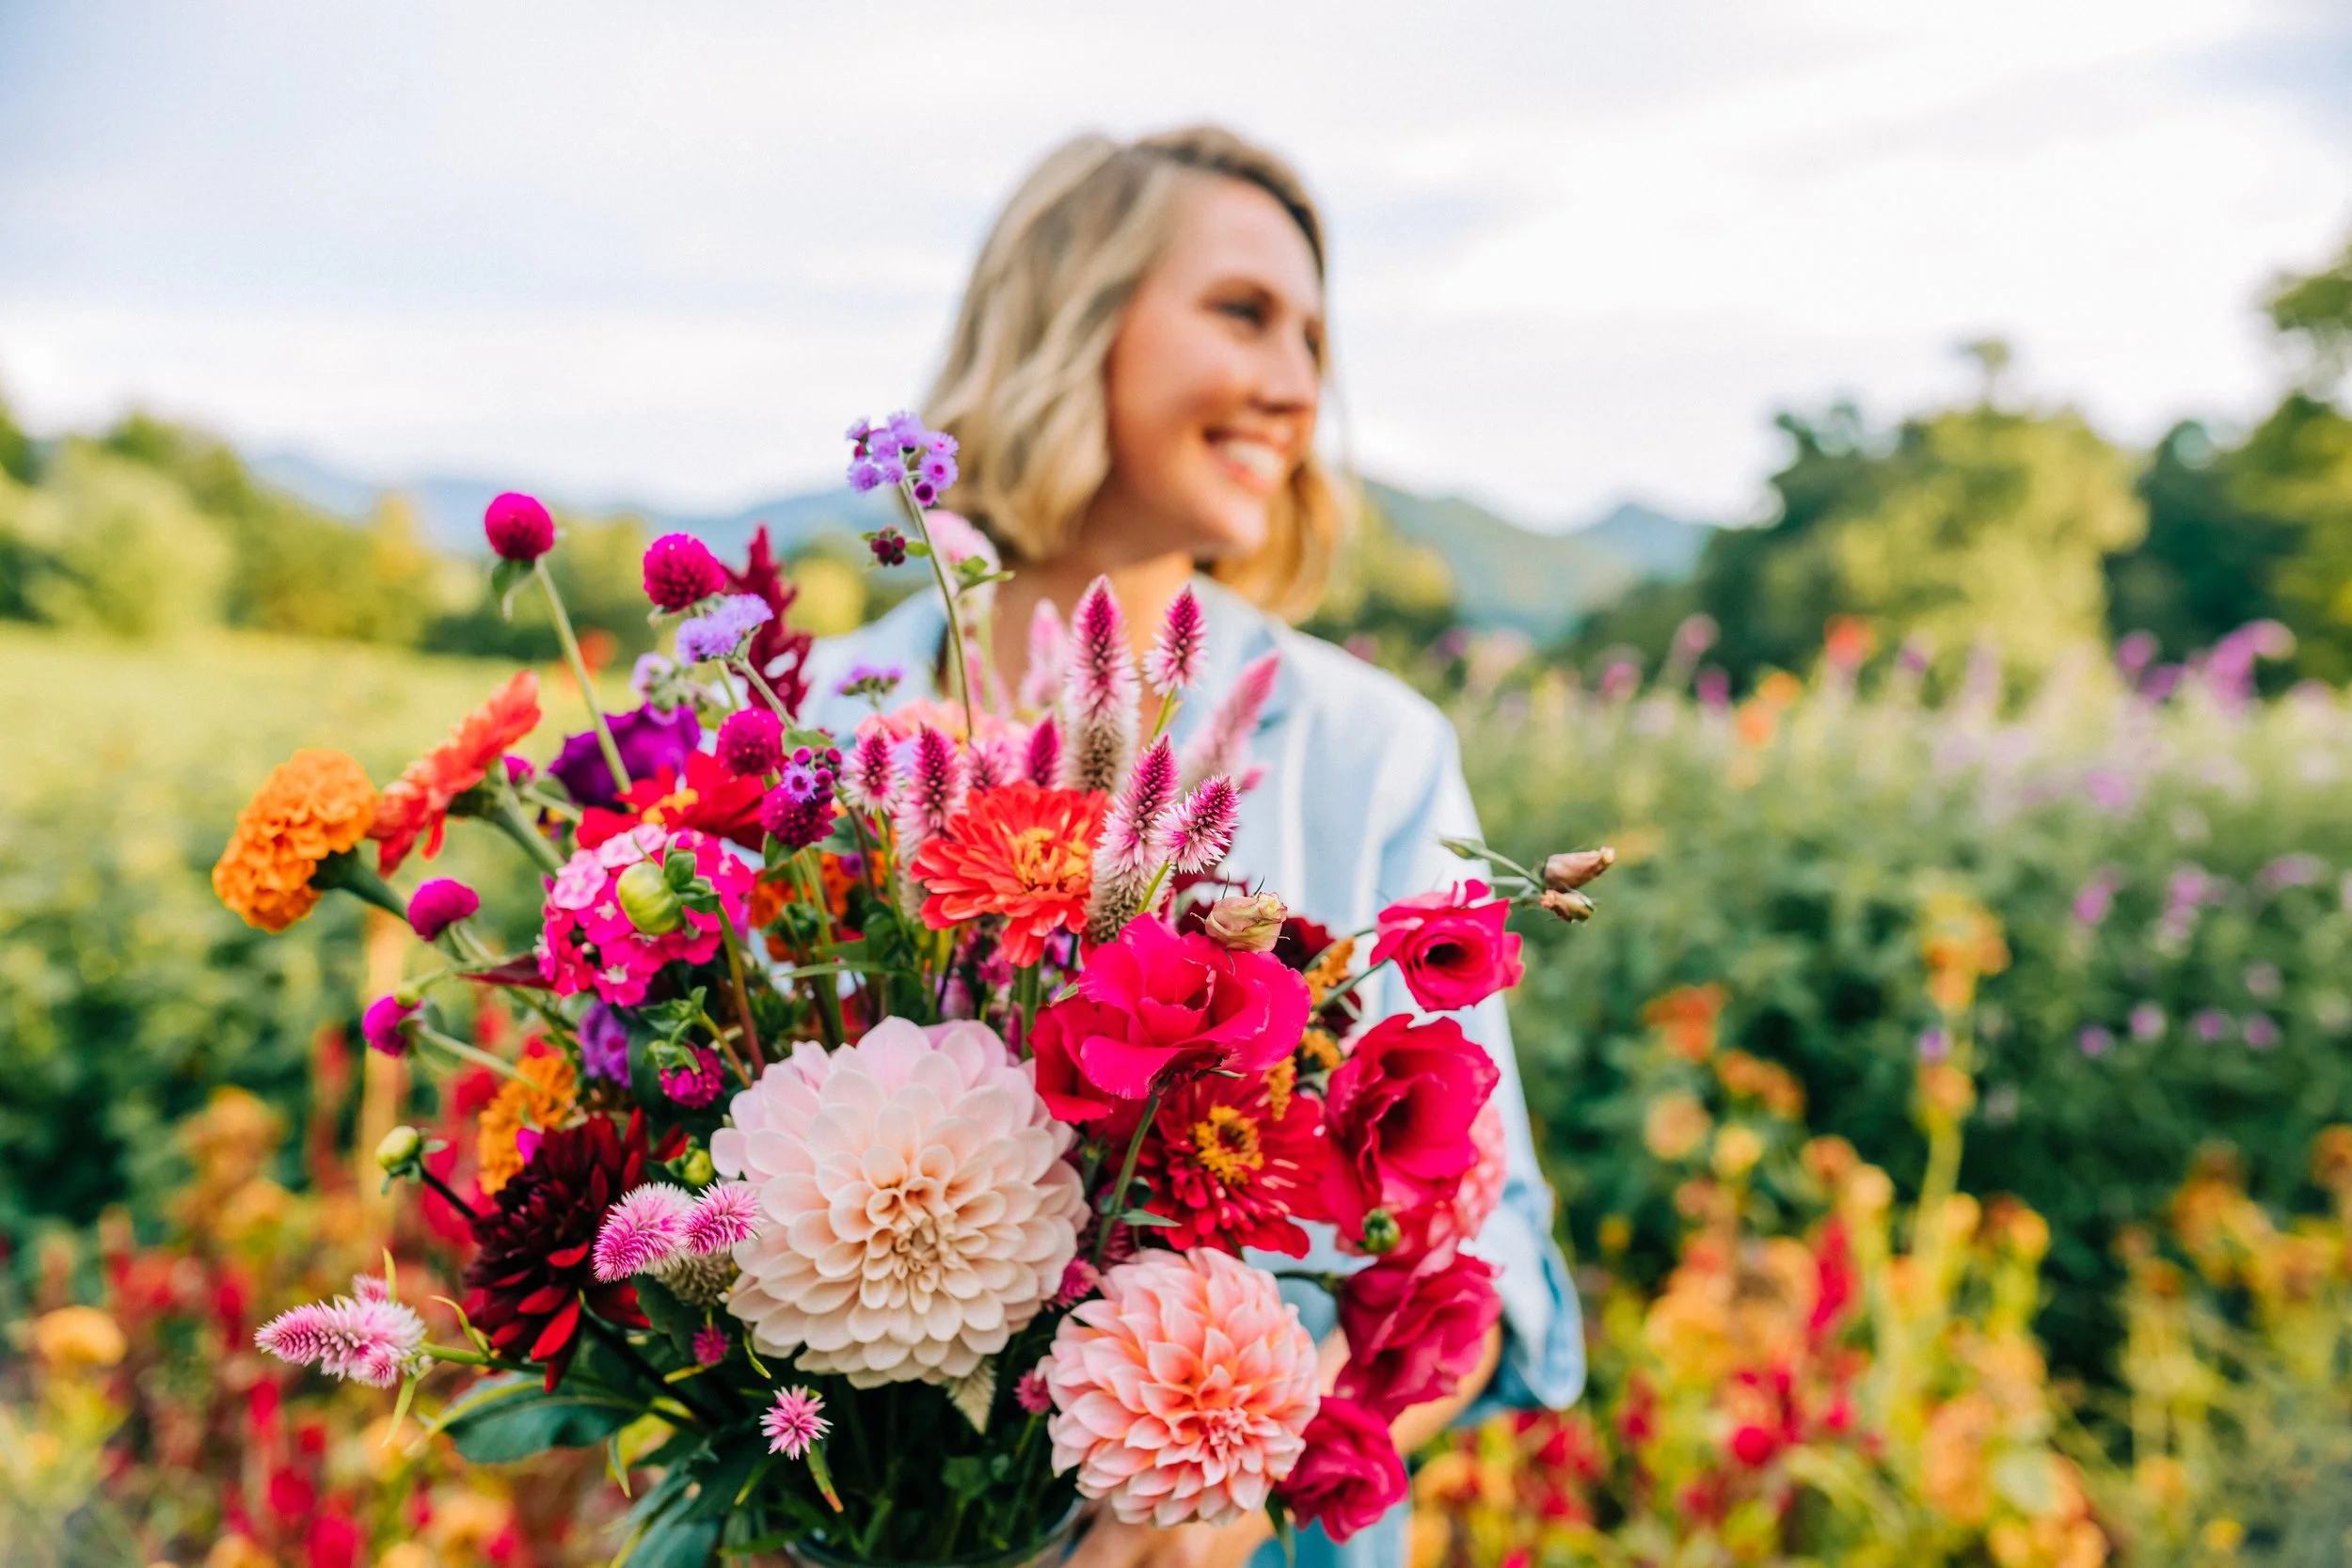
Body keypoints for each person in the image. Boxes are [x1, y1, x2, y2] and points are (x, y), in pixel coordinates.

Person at [798, 125, 1581, 1568]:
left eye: (1313, 338)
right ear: (1071, 319)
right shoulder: (825, 724)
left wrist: (1239, 1474)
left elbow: (1494, 1267)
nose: (1297, 386)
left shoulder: (1366, 753)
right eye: (1242, 312)